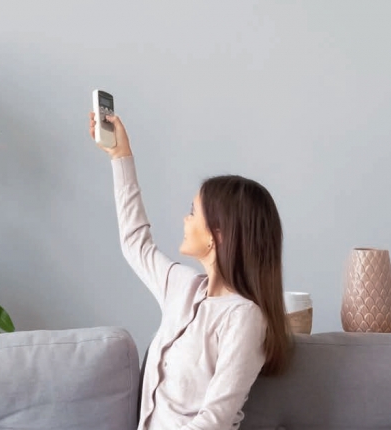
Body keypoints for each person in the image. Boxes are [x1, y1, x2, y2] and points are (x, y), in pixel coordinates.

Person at [89, 112, 292, 429]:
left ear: (217, 235)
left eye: (192, 212)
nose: (186, 220)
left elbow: (215, 420)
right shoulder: (183, 287)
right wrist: (121, 156)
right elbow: (135, 243)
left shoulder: (243, 317)